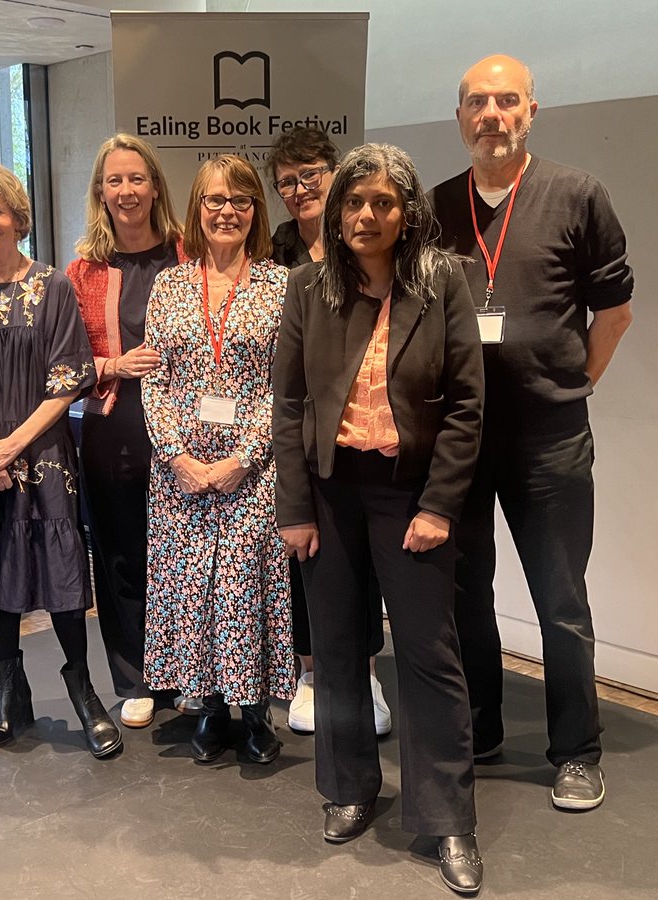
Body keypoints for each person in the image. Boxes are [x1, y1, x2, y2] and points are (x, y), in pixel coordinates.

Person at [273, 143, 486, 894]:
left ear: (406, 213)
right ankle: (349, 788)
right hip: (331, 491)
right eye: (354, 203)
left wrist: (438, 506)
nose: (367, 215)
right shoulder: (307, 287)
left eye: (383, 203)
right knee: (335, 649)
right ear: (335, 214)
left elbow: (466, 406)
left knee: (430, 655)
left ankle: (447, 819)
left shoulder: (444, 282)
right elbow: (291, 403)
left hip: (409, 493)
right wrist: (294, 508)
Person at [428, 54, 634, 811]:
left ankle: (576, 751)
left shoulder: (577, 195)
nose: (492, 115)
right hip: (461, 441)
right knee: (464, 596)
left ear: (531, 112)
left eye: (506, 100)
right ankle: (481, 729)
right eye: (477, 102)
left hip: (550, 442)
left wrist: (574, 387)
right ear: (459, 119)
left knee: (560, 600)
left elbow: (615, 314)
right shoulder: (435, 206)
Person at [0, 162, 121, 761]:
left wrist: (11, 446)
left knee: (59, 575)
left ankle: (82, 689)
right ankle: (10, 693)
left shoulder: (52, 285)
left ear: (18, 218)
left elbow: (70, 375)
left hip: (42, 453)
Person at [142, 155, 292, 764]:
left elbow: (287, 385)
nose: (226, 211)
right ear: (196, 211)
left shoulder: (281, 286)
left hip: (251, 471)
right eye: (214, 201)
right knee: (190, 588)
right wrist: (176, 455)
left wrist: (244, 457)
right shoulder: (169, 285)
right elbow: (153, 379)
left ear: (255, 211)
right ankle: (207, 707)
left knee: (246, 589)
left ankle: (255, 714)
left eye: (240, 201)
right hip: (179, 472)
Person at [266, 127, 391, 737]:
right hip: (302, 434)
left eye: (309, 175)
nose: (298, 190)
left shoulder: (370, 242)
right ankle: (312, 672)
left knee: (364, 563)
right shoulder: (277, 252)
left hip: (367, 435)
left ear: (335, 174)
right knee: (305, 554)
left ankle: (365, 671)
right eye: (286, 182)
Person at [66, 134, 189, 730]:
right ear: (100, 192)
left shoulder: (189, 254)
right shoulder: (82, 270)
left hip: (189, 427)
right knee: (120, 553)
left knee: (186, 551)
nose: (126, 191)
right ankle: (135, 678)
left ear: (155, 186)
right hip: (113, 426)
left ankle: (191, 672)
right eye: (114, 181)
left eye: (136, 179)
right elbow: (59, 362)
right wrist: (114, 365)